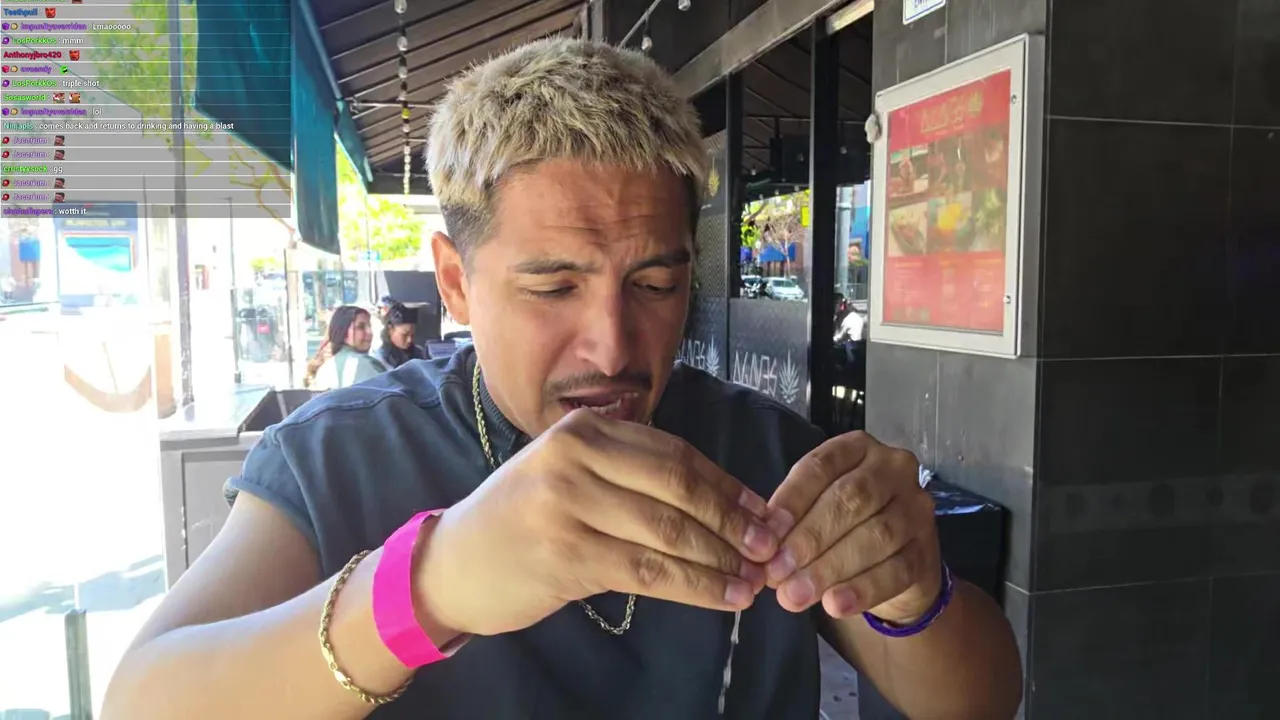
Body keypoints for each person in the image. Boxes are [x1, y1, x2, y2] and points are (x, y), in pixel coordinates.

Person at [102, 38, 1021, 720]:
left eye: (654, 285)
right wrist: (428, 586)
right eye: (553, 287)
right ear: (455, 282)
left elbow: (981, 698)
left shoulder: (764, 450)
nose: (613, 347)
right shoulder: (339, 458)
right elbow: (144, 698)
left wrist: (914, 594)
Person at [304, 305, 387, 390]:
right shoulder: (367, 365)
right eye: (361, 327)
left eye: (369, 326)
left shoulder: (324, 370)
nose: (369, 332)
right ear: (343, 331)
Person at [373, 302, 425, 369]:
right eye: (404, 335)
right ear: (390, 329)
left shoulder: (420, 353)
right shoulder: (379, 360)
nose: (409, 340)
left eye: (412, 335)